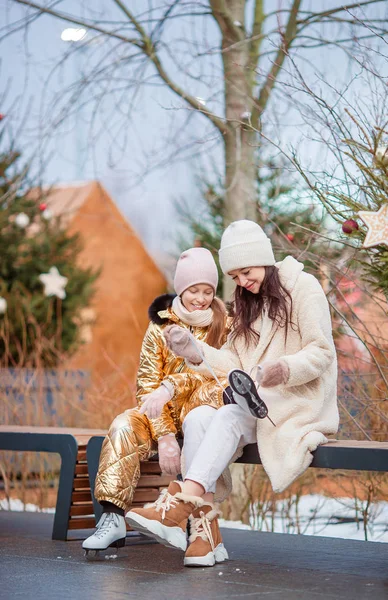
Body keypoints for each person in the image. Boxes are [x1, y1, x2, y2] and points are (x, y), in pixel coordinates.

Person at [125, 219, 339, 567]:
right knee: (197, 418)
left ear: (263, 259)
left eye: (246, 271)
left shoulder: (304, 288)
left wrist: (283, 369)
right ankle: (205, 537)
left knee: (226, 413)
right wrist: (194, 349)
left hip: (296, 400)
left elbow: (322, 352)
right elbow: (233, 360)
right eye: (235, 276)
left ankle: (181, 503)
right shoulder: (246, 302)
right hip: (253, 403)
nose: (241, 281)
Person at [82, 247, 229, 556]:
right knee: (124, 424)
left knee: (200, 414)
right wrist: (163, 436)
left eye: (207, 291)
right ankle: (112, 518)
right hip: (160, 413)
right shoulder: (161, 325)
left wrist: (170, 389)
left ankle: (193, 525)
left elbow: (210, 376)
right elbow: (147, 383)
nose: (201, 298)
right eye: (193, 290)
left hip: (200, 411)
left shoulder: (222, 324)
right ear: (181, 288)